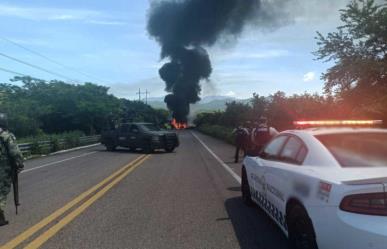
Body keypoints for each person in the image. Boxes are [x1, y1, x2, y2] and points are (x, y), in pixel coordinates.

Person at [0, 113, 24, 226]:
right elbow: (14, 152)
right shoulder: (6, 136)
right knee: (2, 191)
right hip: (4, 168)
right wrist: (20, 163)